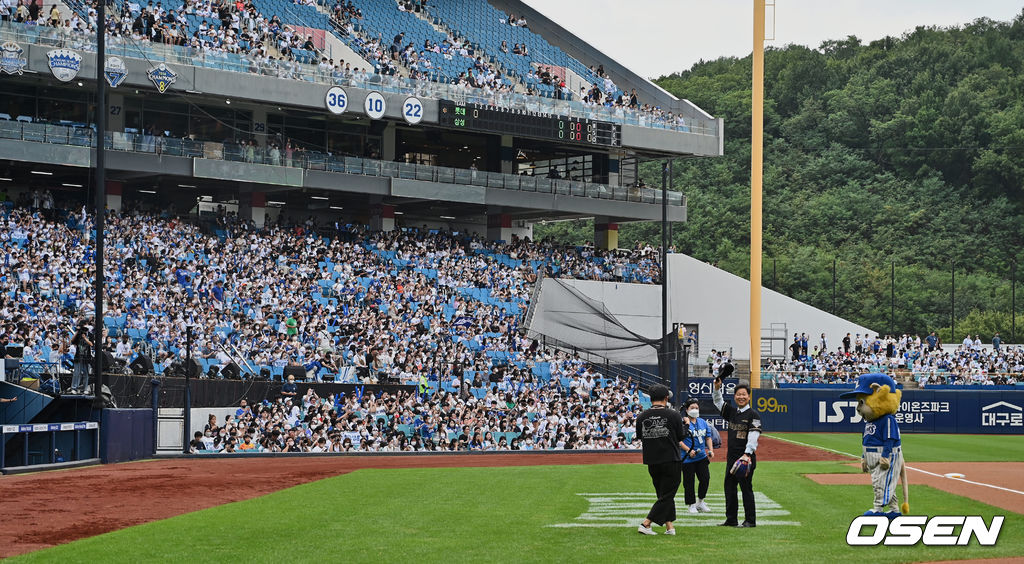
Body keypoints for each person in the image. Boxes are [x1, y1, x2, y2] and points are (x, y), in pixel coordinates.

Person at [635, 384, 686, 536]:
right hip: (671, 459)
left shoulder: (642, 416)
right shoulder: (674, 414)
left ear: (651, 399)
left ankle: (669, 527)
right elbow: (680, 437)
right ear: (666, 398)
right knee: (667, 495)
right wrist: (687, 426)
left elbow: (639, 436)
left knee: (662, 494)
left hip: (652, 460)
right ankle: (646, 523)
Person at [713, 378, 761, 527]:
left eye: (744, 394)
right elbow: (718, 402)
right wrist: (716, 388)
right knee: (730, 488)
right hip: (731, 458)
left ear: (749, 396)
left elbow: (753, 436)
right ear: (734, 397)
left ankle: (750, 520)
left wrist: (747, 454)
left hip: (745, 458)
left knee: (746, 489)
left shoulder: (754, 415)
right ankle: (731, 519)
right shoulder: (732, 412)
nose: (741, 397)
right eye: (738, 394)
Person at [681, 398, 714, 514]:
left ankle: (700, 501)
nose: (694, 410)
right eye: (692, 408)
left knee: (705, 479)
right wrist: (688, 450)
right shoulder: (683, 423)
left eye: (696, 408)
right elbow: (678, 440)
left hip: (701, 457)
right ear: (687, 410)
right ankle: (691, 504)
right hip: (687, 459)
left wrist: (710, 450)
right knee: (689, 483)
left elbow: (708, 437)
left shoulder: (703, 422)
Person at [70, 323, 92, 394]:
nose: (84, 332)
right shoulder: (78, 336)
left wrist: (85, 338)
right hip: (78, 357)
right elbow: (72, 341)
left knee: (86, 373)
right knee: (77, 373)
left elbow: (91, 344)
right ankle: (74, 388)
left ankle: (85, 388)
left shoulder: (90, 336)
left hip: (86, 357)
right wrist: (77, 332)